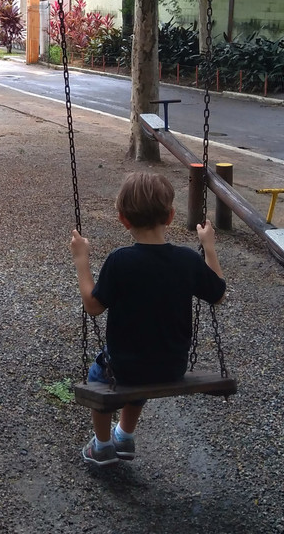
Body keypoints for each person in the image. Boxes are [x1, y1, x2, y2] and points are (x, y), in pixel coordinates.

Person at [70, 171, 226, 466]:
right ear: (170, 216)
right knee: (138, 367)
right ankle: (124, 436)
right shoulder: (187, 259)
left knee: (101, 375)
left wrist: (81, 259)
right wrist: (209, 247)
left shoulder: (120, 260)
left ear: (123, 219)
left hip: (126, 368)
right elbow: (217, 294)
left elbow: (93, 306)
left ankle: (102, 446)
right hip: (172, 366)